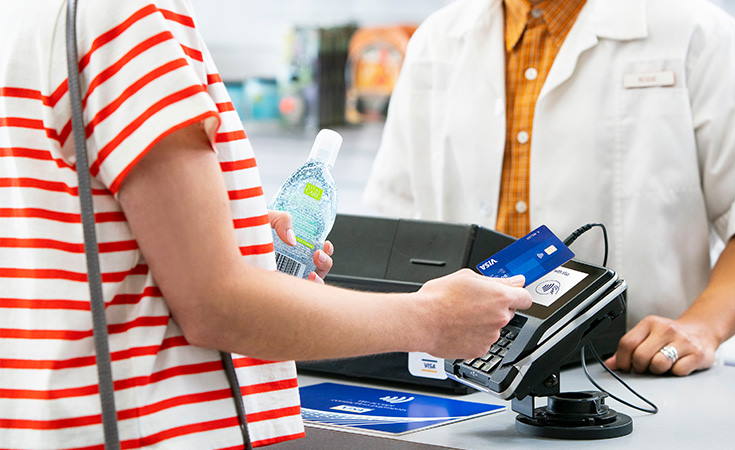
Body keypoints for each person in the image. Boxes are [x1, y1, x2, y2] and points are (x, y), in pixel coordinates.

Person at [0, 1, 532, 448]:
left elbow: (65, 233)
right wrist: (431, 319)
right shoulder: (129, 20)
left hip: (51, 417)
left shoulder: (29, 17)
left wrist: (233, 237)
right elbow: (218, 306)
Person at [365, 0, 735, 377]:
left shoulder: (692, 30)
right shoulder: (436, 40)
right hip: (460, 376)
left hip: (627, 376)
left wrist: (703, 326)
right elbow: (393, 223)